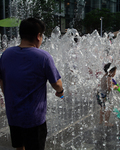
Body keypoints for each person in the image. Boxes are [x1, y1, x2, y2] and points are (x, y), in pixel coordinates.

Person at [0, 18, 64, 150]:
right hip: (34, 119)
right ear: (38, 36)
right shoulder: (43, 57)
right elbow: (57, 84)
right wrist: (60, 92)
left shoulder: (6, 54)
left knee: (19, 146)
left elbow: (2, 81)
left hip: (13, 115)